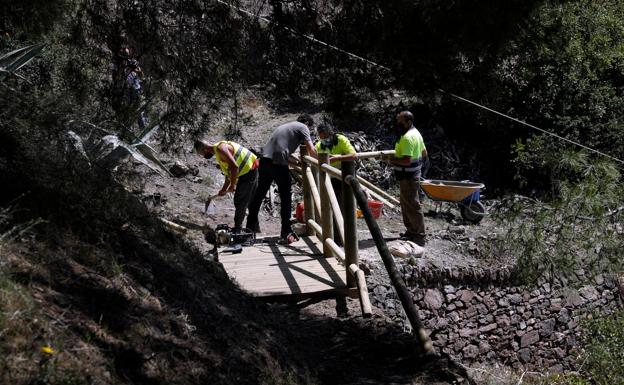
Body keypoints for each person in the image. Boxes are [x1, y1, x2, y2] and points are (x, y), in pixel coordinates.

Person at [246, 114, 318, 244]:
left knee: (259, 194)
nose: (310, 131)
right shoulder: (303, 127)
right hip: (277, 163)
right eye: (311, 128)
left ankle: (249, 229)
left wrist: (298, 164)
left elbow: (283, 153)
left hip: (264, 160)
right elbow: (311, 149)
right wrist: (322, 161)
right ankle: (286, 231)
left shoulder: (287, 127)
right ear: (308, 123)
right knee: (285, 196)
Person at [195, 139, 259, 233]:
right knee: (248, 201)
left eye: (202, 154)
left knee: (240, 200)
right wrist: (224, 189)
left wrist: (232, 185)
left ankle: (238, 229)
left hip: (249, 170)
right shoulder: (218, 151)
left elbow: (234, 166)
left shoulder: (220, 149)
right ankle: (254, 228)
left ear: (205, 150)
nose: (204, 157)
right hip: (250, 169)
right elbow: (229, 172)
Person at [385, 111, 429, 246]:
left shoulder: (408, 137)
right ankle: (411, 231)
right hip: (410, 174)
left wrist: (391, 160)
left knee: (412, 204)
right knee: (406, 203)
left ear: (408, 122)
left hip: (409, 175)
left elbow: (406, 161)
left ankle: (419, 235)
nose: (397, 124)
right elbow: (424, 153)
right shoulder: (416, 133)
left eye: (400, 122)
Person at [315, 124, 357, 245]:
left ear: (331, 134)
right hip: (328, 179)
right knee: (331, 208)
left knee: (344, 208)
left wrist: (338, 158)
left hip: (344, 178)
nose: (324, 140)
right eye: (322, 138)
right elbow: (313, 154)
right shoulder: (320, 145)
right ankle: (335, 237)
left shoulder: (341, 140)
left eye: (326, 137)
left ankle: (345, 238)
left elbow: (354, 156)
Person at [111, 46, 147, 138]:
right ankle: (127, 131)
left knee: (138, 110)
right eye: (123, 58)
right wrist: (122, 68)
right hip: (124, 90)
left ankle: (143, 130)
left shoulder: (133, 63)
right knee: (127, 110)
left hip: (135, 88)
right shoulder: (116, 65)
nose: (125, 60)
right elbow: (115, 78)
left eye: (126, 58)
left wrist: (138, 71)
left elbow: (142, 77)